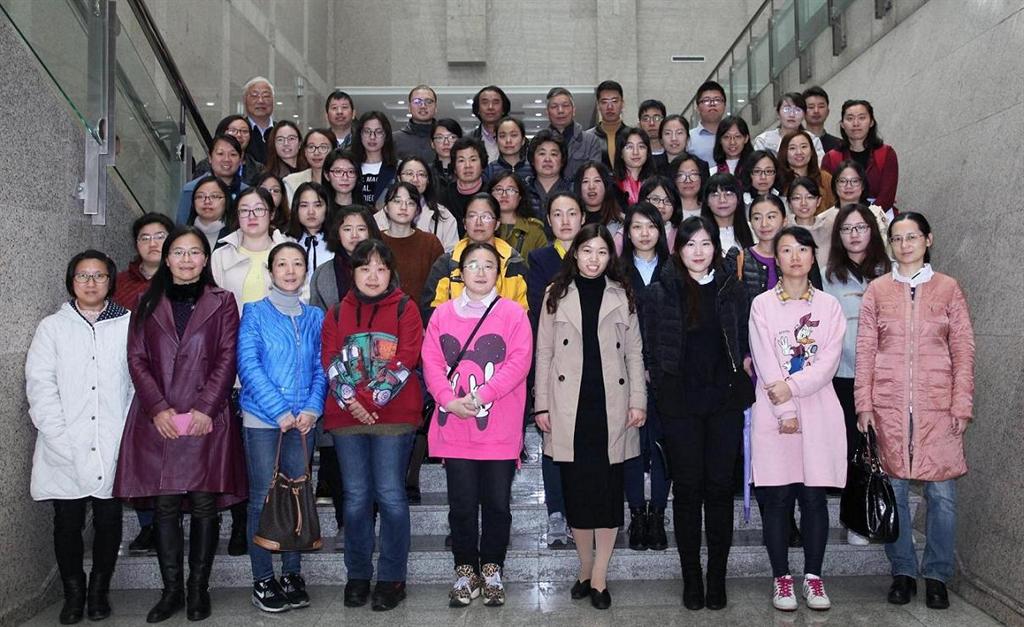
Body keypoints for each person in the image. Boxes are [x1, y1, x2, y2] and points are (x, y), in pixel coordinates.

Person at [113, 226, 247, 623]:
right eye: (178, 252)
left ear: (205, 260)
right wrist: (158, 408)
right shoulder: (145, 300)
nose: (186, 260)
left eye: (194, 252)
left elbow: (227, 356)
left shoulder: (223, 301)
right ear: (166, 259)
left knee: (205, 505)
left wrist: (206, 408)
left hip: (208, 416)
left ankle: (197, 589)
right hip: (160, 418)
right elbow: (136, 358)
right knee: (166, 504)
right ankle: (171, 590)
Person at [855, 212, 975, 611]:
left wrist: (961, 403)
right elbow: (866, 351)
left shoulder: (948, 288)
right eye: (897, 238)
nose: (904, 245)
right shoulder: (877, 290)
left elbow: (963, 349)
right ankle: (903, 570)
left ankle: (937, 574)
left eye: (912, 237)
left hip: (938, 406)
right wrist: (864, 404)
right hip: (888, 405)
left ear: (928, 239)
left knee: (943, 495)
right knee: (896, 493)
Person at [534, 224, 646, 610]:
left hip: (612, 405)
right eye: (586, 251)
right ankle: (584, 567)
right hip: (570, 406)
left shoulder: (622, 293)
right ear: (575, 254)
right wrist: (541, 405)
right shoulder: (556, 294)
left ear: (610, 256)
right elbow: (544, 353)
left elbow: (635, 353)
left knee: (609, 494)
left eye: (601, 251)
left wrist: (638, 401)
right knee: (578, 494)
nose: (593, 259)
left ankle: (600, 575)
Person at [642, 216, 751, 610]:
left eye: (706, 243)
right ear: (678, 249)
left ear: (715, 248)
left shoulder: (732, 289)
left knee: (720, 490)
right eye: (690, 244)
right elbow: (650, 348)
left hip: (724, 403)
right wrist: (661, 387)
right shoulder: (660, 292)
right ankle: (691, 577)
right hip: (680, 406)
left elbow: (744, 341)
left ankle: (716, 578)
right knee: (687, 490)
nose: (699, 252)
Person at [422, 242, 533, 607]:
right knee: (462, 505)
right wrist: (449, 400)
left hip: (500, 427)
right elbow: (431, 362)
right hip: (455, 424)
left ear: (498, 273)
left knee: (498, 504)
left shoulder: (513, 313)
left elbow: (519, 363)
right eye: (473, 265)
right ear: (460, 272)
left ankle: (492, 570)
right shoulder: (442, 315)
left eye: (488, 265)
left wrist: (482, 394)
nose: (481, 272)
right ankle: (465, 572)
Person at [27, 250, 133, 624]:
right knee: (67, 521)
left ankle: (99, 592)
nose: (91, 283)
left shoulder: (127, 324)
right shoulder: (52, 327)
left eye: (99, 276)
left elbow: (136, 384)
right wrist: (58, 435)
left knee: (109, 518)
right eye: (83, 276)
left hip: (113, 440)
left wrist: (125, 435)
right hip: (62, 441)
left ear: (110, 281)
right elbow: (40, 385)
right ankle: (74, 594)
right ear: (71, 281)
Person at [321, 239, 425, 612]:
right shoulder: (336, 313)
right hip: (346, 417)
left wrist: (366, 401)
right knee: (355, 498)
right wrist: (354, 401)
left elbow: (407, 357)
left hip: (394, 418)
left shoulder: (406, 308)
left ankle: (392, 578)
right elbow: (330, 359)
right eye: (365, 268)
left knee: (391, 495)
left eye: (381, 268)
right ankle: (358, 575)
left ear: (391, 272)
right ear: (353, 272)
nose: (373, 276)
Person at [748, 226, 846, 613]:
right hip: (773, 411)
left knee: (813, 498)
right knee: (777, 498)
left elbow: (828, 362)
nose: (794, 257)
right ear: (777, 258)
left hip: (818, 409)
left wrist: (792, 387)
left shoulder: (829, 306)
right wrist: (785, 407)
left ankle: (814, 576)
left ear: (812, 256)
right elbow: (764, 359)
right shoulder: (762, 305)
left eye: (802, 250)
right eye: (786, 250)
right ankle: (782, 578)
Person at [236, 242, 326, 613]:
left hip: (303, 421)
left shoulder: (316, 316)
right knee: (263, 495)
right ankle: (262, 578)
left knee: (298, 492)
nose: (290, 271)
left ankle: (291, 573)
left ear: (306, 270)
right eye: (282, 264)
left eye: (297, 264)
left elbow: (322, 366)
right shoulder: (255, 312)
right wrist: (279, 411)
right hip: (263, 419)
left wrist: (312, 408)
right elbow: (248, 364)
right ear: (270, 271)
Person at [820, 203, 891, 547]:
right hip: (842, 373)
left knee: (880, 448)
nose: (854, 234)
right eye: (847, 229)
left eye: (860, 227)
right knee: (852, 447)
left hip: (884, 375)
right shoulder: (826, 275)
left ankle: (881, 513)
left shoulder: (889, 272)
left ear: (872, 231)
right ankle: (856, 521)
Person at [526, 192, 584, 546]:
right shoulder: (540, 258)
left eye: (572, 213)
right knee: (552, 442)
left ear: (582, 217)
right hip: (554, 360)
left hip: (592, 363)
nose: (565, 220)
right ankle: (556, 512)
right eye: (558, 214)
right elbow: (539, 310)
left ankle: (581, 511)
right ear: (548, 220)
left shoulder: (596, 253)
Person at [619, 203, 672, 553]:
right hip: (626, 374)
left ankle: (657, 514)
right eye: (637, 226)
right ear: (628, 233)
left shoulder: (673, 269)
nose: (644, 233)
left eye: (651, 226)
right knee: (632, 445)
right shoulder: (617, 271)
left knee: (661, 447)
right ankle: (637, 514)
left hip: (666, 375)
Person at [420, 193, 529, 321]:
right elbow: (432, 312)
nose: (479, 222)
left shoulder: (514, 263)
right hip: (454, 332)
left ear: (497, 224)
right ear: (464, 223)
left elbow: (525, 314)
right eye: (472, 216)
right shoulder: (447, 264)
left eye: (486, 217)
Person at [209, 187, 291, 314]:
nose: (251, 216)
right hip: (233, 326)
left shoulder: (290, 254)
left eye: (259, 209)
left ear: (272, 214)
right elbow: (213, 305)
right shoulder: (220, 256)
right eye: (244, 210)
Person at [820, 99, 899, 219]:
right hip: (842, 216)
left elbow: (887, 195)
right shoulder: (831, 158)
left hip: (880, 214)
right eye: (850, 118)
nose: (856, 123)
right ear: (842, 124)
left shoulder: (886, 153)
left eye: (862, 118)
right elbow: (829, 196)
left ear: (871, 122)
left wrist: (866, 217)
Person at [378, 182, 445, 300]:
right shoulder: (375, 241)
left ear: (417, 211)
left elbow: (441, 285)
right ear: (386, 208)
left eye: (410, 203)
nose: (403, 207)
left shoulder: (430, 243)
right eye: (397, 201)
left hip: (423, 309)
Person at [309, 204, 383, 311]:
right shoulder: (322, 273)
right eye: (347, 229)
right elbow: (317, 315)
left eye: (361, 229)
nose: (354, 235)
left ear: (370, 232)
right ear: (338, 234)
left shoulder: (385, 269)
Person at [380, 156, 459, 252]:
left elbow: (451, 255)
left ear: (428, 180)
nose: (415, 179)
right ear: (399, 178)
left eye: (421, 174)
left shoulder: (444, 215)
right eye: (409, 173)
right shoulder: (379, 217)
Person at [727, 194, 788, 305]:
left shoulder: (800, 257)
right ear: (750, 222)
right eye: (757, 218)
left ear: (784, 221)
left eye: (771, 217)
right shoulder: (737, 259)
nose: (764, 224)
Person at [176, 135, 249, 224]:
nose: (226, 159)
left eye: (233, 154)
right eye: (220, 154)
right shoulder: (192, 189)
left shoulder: (247, 192)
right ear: (210, 158)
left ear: (240, 159)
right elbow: (182, 226)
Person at [115, 213, 175, 311]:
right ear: (136, 245)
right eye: (145, 238)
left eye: (160, 237)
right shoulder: (119, 282)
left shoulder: (183, 280)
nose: (152, 244)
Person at [545, 87, 603, 182]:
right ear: (547, 113)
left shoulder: (591, 141)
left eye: (565, 105)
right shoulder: (539, 142)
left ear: (574, 110)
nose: (560, 110)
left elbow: (594, 178)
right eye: (554, 107)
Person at [489, 172, 548, 261]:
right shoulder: (479, 226)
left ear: (520, 196)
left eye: (511, 190)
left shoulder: (534, 231)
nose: (504, 195)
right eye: (499, 189)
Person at [752, 92, 826, 163]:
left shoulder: (813, 140)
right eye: (786, 109)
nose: (792, 115)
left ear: (804, 115)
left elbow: (819, 166)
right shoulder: (763, 140)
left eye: (797, 110)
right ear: (778, 114)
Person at [284, 182, 334, 285]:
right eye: (304, 205)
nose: (311, 212)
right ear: (296, 209)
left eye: (317, 205)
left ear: (327, 208)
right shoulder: (285, 241)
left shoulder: (338, 242)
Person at [193, 115, 262, 185]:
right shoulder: (205, 166)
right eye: (233, 130)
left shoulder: (258, 169)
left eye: (244, 131)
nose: (239, 135)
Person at [779, 130, 835, 210]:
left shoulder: (825, 178)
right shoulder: (777, 181)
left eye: (804, 147)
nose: (799, 152)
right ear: (784, 152)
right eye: (792, 148)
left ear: (811, 151)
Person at [441, 136, 488, 231]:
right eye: (461, 160)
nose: (467, 166)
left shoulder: (491, 193)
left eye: (473, 160)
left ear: (482, 164)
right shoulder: (444, 197)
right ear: (454, 167)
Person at [353, 111, 398, 207]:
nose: (372, 137)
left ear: (386, 135)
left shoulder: (397, 168)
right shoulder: (350, 165)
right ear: (360, 134)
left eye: (378, 132)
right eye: (367, 131)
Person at [525, 129, 573, 218]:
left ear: (562, 160)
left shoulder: (572, 189)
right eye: (542, 153)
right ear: (532, 159)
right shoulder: (523, 190)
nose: (547, 159)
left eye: (553, 154)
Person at [702, 172, 754, 255]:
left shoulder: (753, 230)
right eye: (715, 195)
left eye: (728, 194)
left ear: (738, 198)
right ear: (707, 201)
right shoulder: (699, 232)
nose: (722, 200)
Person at [283, 128, 338, 204]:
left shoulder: (344, 179)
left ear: (334, 151)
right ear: (305, 152)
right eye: (311, 147)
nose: (316, 153)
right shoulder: (291, 182)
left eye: (323, 147)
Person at [584, 80, 629, 166]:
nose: (610, 107)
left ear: (622, 104)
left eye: (614, 101)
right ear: (598, 105)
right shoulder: (587, 138)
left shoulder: (632, 135)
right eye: (604, 102)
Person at [184, 176, 233, 251]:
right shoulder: (182, 235)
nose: (207, 201)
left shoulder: (237, 236)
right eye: (200, 196)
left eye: (214, 196)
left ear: (227, 201)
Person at [575, 161, 624, 234]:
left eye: (597, 180)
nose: (591, 186)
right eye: (585, 181)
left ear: (606, 185)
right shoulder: (572, 221)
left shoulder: (621, 222)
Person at [393, 84, 438, 161]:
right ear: (409, 107)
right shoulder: (394, 140)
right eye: (417, 101)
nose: (423, 106)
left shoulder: (446, 139)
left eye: (428, 101)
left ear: (436, 108)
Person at [688, 81, 727, 167]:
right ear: (697, 108)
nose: (712, 104)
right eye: (706, 100)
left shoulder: (734, 136)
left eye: (717, 100)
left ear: (724, 105)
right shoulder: (689, 138)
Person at [612, 127, 654, 206]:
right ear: (620, 153)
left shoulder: (656, 183)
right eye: (630, 147)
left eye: (641, 147)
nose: (635, 152)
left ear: (648, 152)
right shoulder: (611, 184)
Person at [638, 175, 681, 252]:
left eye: (668, 200)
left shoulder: (682, 234)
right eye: (655, 199)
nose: (661, 206)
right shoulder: (626, 233)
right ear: (643, 200)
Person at [483, 117, 534, 181]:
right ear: (496, 140)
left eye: (514, 135)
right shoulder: (489, 170)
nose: (508, 140)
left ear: (523, 140)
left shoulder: (533, 169)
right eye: (502, 136)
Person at [471, 86, 510, 163]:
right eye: (485, 103)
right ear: (478, 109)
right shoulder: (469, 139)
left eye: (495, 102)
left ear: (503, 109)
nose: (490, 107)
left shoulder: (517, 140)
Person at [243, 77, 275, 164]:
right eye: (254, 96)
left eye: (266, 96)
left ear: (273, 101)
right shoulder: (237, 131)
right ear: (245, 100)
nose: (260, 101)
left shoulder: (281, 131)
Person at [802, 86, 842, 154]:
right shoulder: (793, 143)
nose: (816, 111)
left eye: (821, 106)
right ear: (802, 112)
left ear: (828, 112)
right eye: (811, 107)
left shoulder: (839, 145)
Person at [671, 151, 710, 220]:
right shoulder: (667, 212)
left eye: (693, 174)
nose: (688, 181)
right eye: (681, 175)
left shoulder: (711, 210)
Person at [429, 118, 463, 189]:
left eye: (452, 137)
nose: (446, 143)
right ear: (432, 143)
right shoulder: (426, 172)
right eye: (440, 137)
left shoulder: (467, 169)